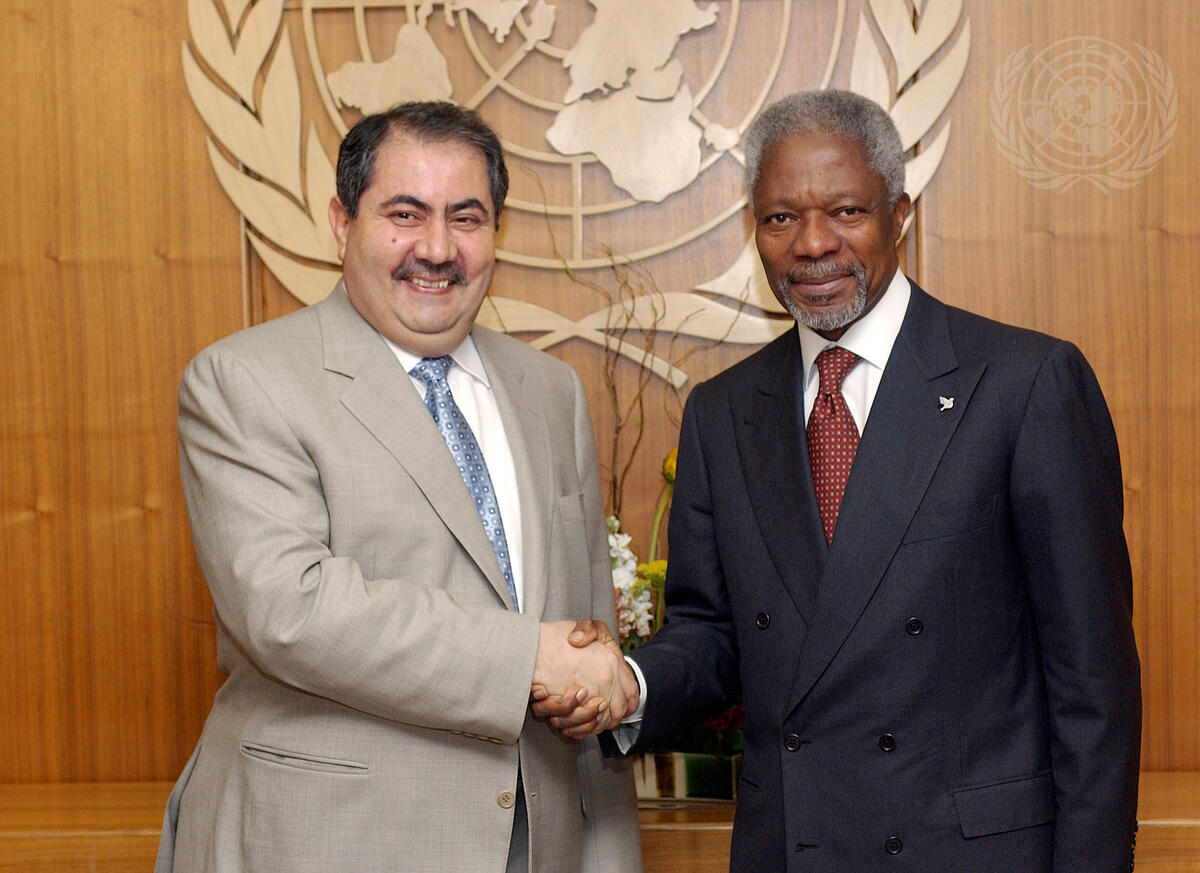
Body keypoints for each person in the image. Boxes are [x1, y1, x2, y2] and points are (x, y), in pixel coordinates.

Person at [541, 90, 1141, 872]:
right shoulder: (723, 413)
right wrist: (629, 682)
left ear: (900, 214)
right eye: (780, 217)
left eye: (847, 211)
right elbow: (714, 634)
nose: (812, 244)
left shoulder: (1024, 384)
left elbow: (1093, 682)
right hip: (796, 846)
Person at [155, 101, 642, 873]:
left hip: (535, 844)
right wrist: (526, 658)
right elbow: (289, 608)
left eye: (466, 218)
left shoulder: (551, 392)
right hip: (324, 844)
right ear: (342, 222)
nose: (438, 249)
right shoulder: (244, 380)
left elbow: (586, 650)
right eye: (405, 214)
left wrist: (610, 856)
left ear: (497, 232)